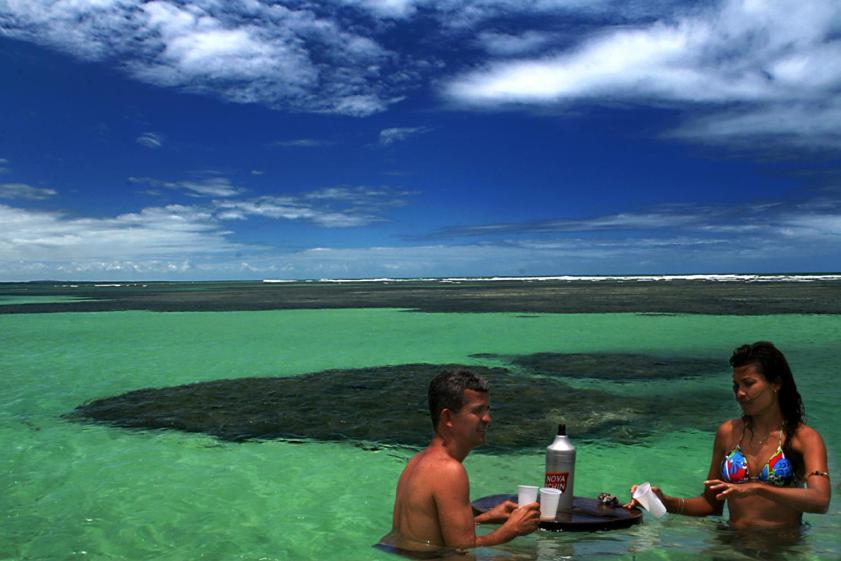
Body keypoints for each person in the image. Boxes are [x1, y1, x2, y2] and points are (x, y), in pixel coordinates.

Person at [625, 341, 831, 528]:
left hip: (781, 551)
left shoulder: (805, 438)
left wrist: (758, 488)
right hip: (730, 547)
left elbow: (820, 500)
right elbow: (710, 505)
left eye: (748, 384)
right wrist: (664, 501)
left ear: (776, 383)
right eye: (736, 386)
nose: (740, 393)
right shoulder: (728, 432)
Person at [381, 369, 540, 552]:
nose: (488, 419)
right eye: (478, 411)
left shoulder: (417, 461)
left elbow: (429, 533)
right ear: (448, 418)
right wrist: (511, 529)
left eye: (487, 410)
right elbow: (461, 550)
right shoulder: (449, 470)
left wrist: (483, 518)